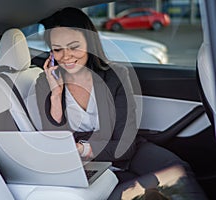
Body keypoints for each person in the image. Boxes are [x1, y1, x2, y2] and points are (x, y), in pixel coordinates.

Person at [35, 7, 207, 199]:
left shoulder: (116, 75)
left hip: (119, 150)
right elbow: (56, 143)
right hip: (82, 163)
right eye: (57, 49)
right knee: (127, 191)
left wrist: (84, 148)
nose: (66, 56)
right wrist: (56, 95)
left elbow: (125, 144)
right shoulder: (45, 82)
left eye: (74, 47)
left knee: (178, 172)